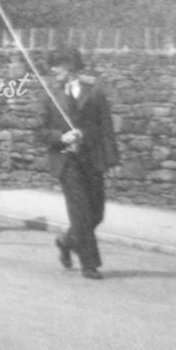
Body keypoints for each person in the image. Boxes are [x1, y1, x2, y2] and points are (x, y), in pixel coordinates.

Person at [39, 47, 119, 280]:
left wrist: (111, 160)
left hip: (92, 160)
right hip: (67, 161)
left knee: (96, 214)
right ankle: (89, 264)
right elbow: (39, 130)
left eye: (57, 65)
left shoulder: (94, 93)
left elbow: (106, 128)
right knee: (81, 213)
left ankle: (66, 242)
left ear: (70, 65)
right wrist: (61, 137)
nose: (53, 70)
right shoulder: (49, 95)